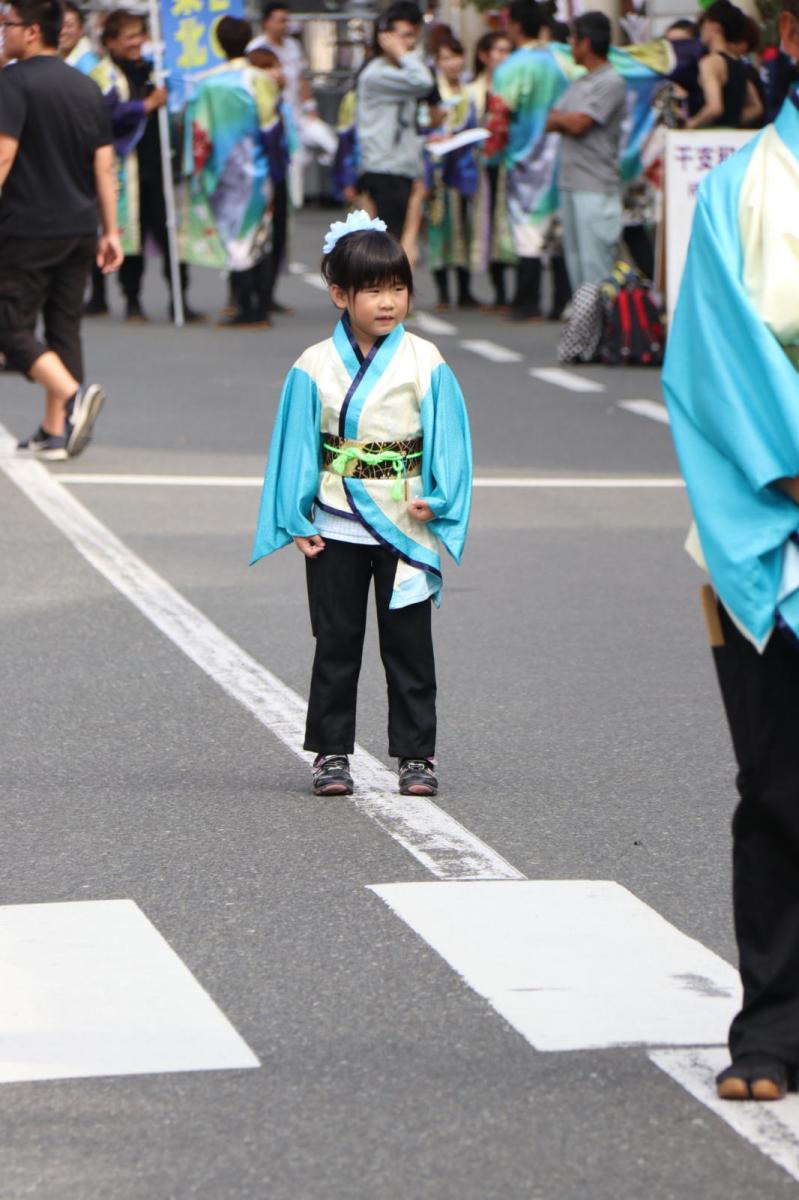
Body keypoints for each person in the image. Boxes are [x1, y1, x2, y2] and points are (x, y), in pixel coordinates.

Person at [663, 0, 799, 1103]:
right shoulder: (743, 188)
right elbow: (717, 363)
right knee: (782, 786)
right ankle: (773, 1025)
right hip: (777, 521)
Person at [252, 211, 472, 798]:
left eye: (397, 288)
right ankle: (330, 752)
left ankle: (416, 755)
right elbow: (298, 446)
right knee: (337, 642)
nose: (387, 302)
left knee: (409, 647)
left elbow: (447, 436)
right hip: (336, 522)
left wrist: (441, 496)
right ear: (339, 294)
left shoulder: (425, 360)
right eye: (372, 289)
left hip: (404, 523)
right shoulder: (314, 364)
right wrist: (296, 518)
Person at [0, 0, 121, 461]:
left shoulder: (12, 82)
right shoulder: (86, 86)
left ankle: (73, 396)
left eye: (6, 25)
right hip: (79, 225)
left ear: (31, 31)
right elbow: (104, 166)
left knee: (9, 327)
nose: (2, 32)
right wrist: (110, 230)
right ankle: (55, 431)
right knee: (63, 325)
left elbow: (4, 155)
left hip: (27, 226)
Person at [92, 9, 201, 322]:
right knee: (130, 240)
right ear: (111, 41)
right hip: (127, 169)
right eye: (129, 37)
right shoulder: (104, 74)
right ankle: (133, 300)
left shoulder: (156, 70)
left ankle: (180, 299)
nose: (136, 42)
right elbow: (104, 114)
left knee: (172, 238)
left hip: (161, 164)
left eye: (140, 35)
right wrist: (144, 106)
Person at [183, 17, 278, 328]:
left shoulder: (207, 82)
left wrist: (195, 170)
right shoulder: (259, 79)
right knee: (259, 235)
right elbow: (271, 126)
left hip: (222, 170)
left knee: (231, 235)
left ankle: (240, 302)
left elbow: (199, 131)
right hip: (258, 167)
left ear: (218, 43)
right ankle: (261, 307)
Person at [485, 0, 570, 321]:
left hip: (525, 155)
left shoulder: (512, 67)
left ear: (516, 26)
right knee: (558, 233)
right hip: (562, 153)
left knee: (527, 230)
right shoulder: (562, 58)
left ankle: (528, 301)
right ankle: (562, 300)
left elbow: (499, 115)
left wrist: (490, 156)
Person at [546, 12, 626, 292]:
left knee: (597, 268)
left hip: (596, 185)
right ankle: (587, 331)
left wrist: (565, 120)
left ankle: (605, 332)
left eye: (573, 39)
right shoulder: (579, 82)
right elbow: (550, 120)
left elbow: (580, 124)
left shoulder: (612, 81)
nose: (570, 46)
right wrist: (565, 120)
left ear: (586, 42)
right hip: (570, 183)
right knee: (577, 268)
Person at [355, 2, 434, 240]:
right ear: (385, 37)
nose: (408, 44)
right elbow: (424, 82)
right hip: (384, 170)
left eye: (413, 36)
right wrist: (401, 53)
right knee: (388, 248)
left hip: (401, 169)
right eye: (403, 36)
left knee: (397, 245)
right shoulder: (377, 74)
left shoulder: (398, 71)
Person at [425, 35, 479, 310]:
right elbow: (423, 125)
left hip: (464, 167)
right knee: (439, 226)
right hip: (438, 170)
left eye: (456, 56)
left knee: (465, 227)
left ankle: (465, 289)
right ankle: (444, 290)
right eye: (445, 58)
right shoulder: (434, 92)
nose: (452, 63)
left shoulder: (470, 92)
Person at [469, 31, 515, 311]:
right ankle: (499, 292)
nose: (501, 56)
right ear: (483, 55)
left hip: (512, 165)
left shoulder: (516, 85)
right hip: (483, 167)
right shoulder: (473, 89)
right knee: (488, 226)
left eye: (507, 50)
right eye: (496, 50)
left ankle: (517, 292)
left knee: (511, 227)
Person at [686, 0, 763, 129]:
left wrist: (691, 124)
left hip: (710, 140)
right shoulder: (739, 63)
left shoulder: (710, 62)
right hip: (734, 138)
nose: (702, 29)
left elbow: (715, 107)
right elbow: (756, 107)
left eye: (705, 23)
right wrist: (732, 122)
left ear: (716, 27)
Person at [59, 0, 98, 73]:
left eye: (69, 26)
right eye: (60, 25)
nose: (63, 31)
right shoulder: (56, 55)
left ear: (81, 29)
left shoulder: (88, 64)